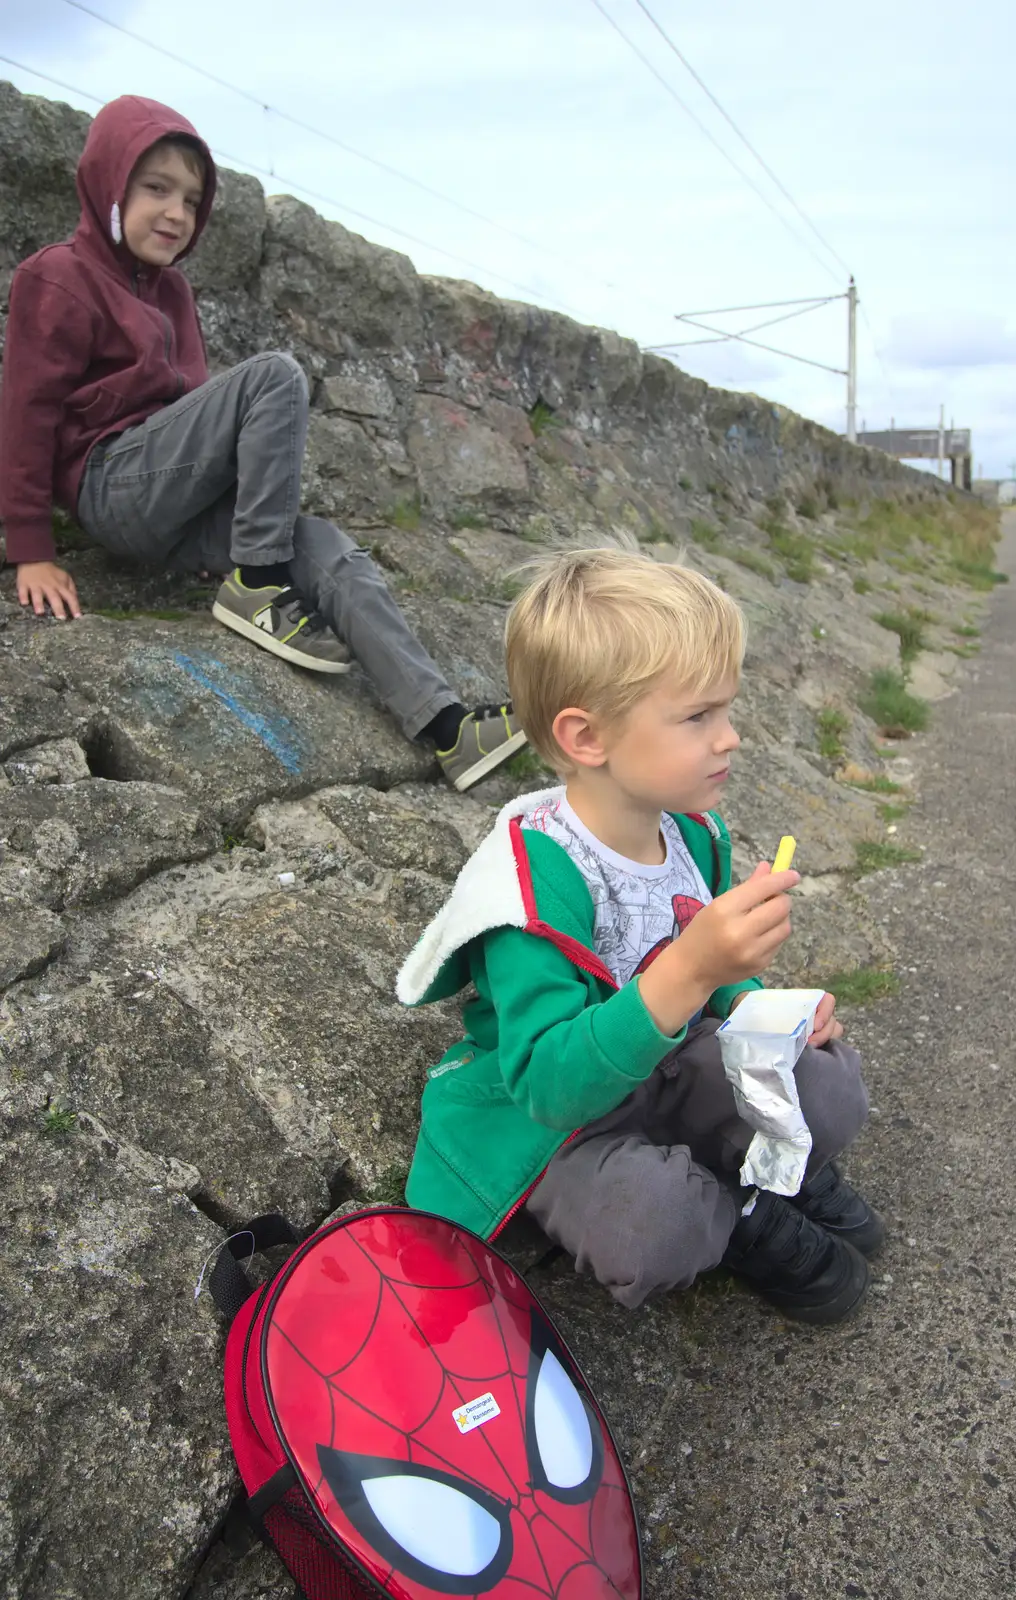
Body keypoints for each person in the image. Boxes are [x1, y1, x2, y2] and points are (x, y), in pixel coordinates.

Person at [396, 547, 882, 1323]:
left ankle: (760, 1166)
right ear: (587, 738)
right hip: (569, 1124)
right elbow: (549, 1086)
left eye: (724, 710)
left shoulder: (691, 834)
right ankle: (741, 1215)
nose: (729, 738)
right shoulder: (532, 890)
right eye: (698, 716)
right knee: (649, 1223)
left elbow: (718, 983)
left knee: (826, 1084)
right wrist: (690, 971)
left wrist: (763, 1006)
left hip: (671, 1067)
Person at [0, 95, 525, 793]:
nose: (176, 214)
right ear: (107, 183)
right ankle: (256, 584)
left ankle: (446, 728)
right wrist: (31, 549)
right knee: (273, 375)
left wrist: (239, 517)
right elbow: (25, 411)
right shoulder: (57, 275)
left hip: (169, 499)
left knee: (330, 549)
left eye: (190, 200)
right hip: (110, 483)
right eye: (155, 188)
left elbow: (194, 415)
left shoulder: (174, 293)